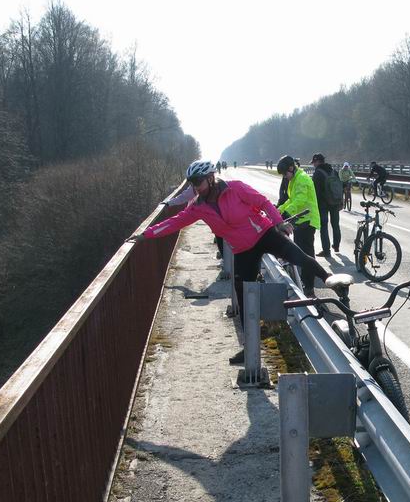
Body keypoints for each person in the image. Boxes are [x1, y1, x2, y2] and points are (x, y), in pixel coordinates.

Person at [129, 160, 339, 362]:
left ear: (211, 178)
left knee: (299, 257)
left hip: (265, 234)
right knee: (243, 296)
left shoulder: (235, 188)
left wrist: (279, 223)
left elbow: (263, 202)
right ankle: (250, 349)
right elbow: (175, 222)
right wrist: (146, 235)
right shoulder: (198, 207)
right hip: (243, 250)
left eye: (198, 182)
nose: (195, 188)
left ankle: (332, 281)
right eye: (192, 183)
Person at [276, 155, 322, 296]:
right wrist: (278, 210)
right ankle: (304, 282)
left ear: (291, 168)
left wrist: (286, 213)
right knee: (300, 253)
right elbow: (292, 199)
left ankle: (309, 287)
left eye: (285, 173)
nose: (285, 177)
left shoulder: (301, 178)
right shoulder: (294, 179)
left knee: (307, 255)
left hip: (307, 221)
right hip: (301, 221)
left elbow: (300, 200)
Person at [311, 153, 341, 256]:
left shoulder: (318, 173)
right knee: (335, 225)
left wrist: (315, 205)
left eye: (314, 162)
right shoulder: (334, 171)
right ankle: (336, 245)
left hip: (323, 204)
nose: (313, 165)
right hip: (335, 202)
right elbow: (339, 188)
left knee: (324, 227)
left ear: (317, 161)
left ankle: (326, 251)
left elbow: (315, 191)